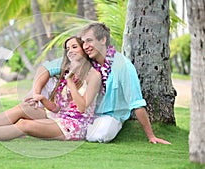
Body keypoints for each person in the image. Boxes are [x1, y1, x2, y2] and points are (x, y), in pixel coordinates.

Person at [28, 23, 171, 144]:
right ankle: (38, 114)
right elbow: (45, 68)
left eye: (89, 41)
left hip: (108, 115)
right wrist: (36, 93)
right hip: (83, 113)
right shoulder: (86, 59)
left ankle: (65, 128)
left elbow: (137, 103)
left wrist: (151, 136)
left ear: (103, 40)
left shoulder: (122, 66)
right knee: (49, 80)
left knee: (98, 135)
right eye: (83, 42)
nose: (85, 46)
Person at [0, 36, 101, 141]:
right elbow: (57, 109)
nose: (70, 51)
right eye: (68, 48)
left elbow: (81, 108)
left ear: (84, 50)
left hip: (75, 126)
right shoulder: (69, 73)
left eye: (75, 47)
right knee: (23, 108)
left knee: (24, 124)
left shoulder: (93, 75)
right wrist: (42, 98)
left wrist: (70, 82)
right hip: (59, 118)